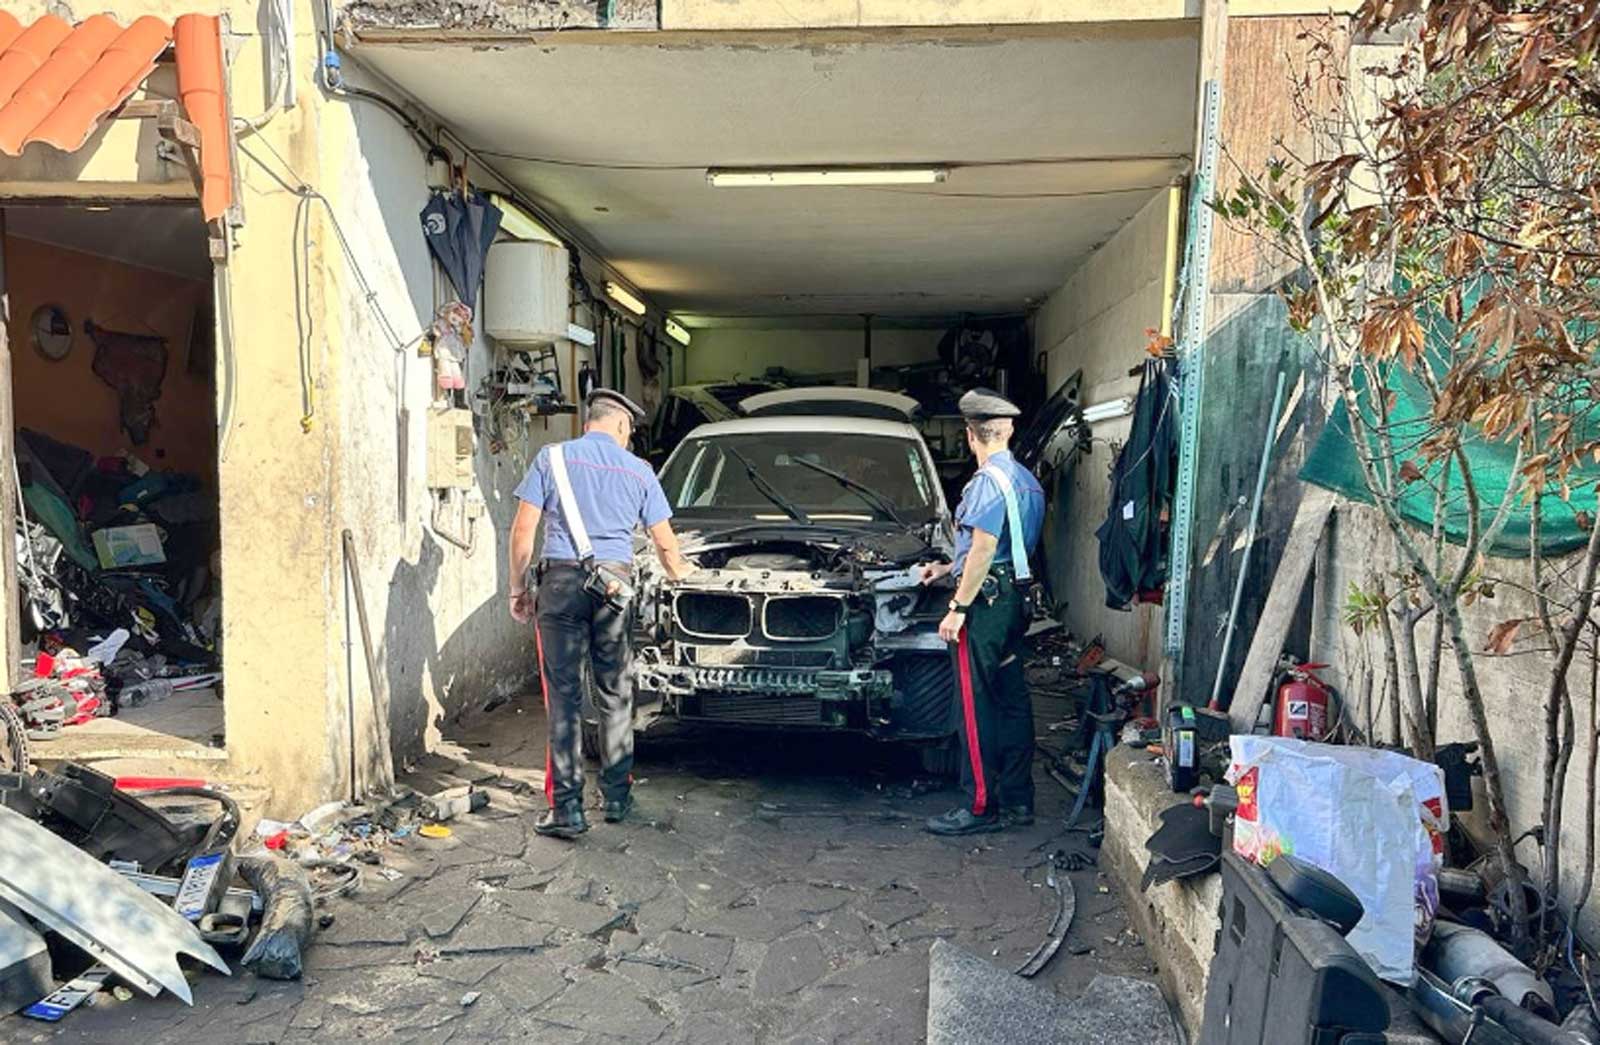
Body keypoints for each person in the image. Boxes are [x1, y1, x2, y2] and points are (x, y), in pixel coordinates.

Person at [508, 388, 694, 839]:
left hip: (560, 586)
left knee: (565, 697)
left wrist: (518, 588)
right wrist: (683, 574)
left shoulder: (550, 460)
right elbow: (666, 545)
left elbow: (524, 529)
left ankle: (568, 809)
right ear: (622, 426)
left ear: (588, 422)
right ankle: (616, 797)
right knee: (615, 693)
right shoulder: (640, 470)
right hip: (614, 588)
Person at [917, 388, 1045, 835]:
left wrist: (957, 606)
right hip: (1015, 599)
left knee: (974, 706)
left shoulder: (986, 484)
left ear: (970, 436)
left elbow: (986, 548)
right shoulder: (1026, 480)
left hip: (985, 605)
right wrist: (948, 566)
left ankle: (979, 805)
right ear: (1006, 431)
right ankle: (1017, 801)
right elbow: (1005, 548)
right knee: (1012, 701)